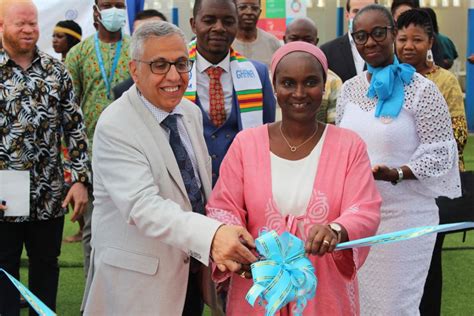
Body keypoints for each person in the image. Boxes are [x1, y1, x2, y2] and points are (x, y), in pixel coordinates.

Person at [82, 21, 257, 315]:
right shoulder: (116, 125)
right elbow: (143, 206)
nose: (174, 76)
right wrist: (213, 236)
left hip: (189, 275)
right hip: (138, 285)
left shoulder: (188, 112)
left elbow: (199, 192)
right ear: (134, 70)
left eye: (180, 63)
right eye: (160, 65)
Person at [206, 41, 381, 315]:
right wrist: (238, 246)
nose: (299, 93)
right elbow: (223, 207)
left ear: (325, 86)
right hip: (261, 283)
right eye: (288, 83)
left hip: (323, 289)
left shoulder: (349, 146)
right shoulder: (245, 144)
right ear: (274, 88)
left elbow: (364, 208)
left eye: (310, 82)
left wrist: (335, 229)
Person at [337, 5, 461, 315]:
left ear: (393, 33)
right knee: (361, 305)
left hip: (407, 218)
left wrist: (398, 173)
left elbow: (441, 155)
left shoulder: (422, 90)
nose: (370, 42)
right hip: (359, 218)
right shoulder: (349, 91)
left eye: (379, 33)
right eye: (361, 36)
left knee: (396, 306)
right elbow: (342, 148)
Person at [0, 1, 90, 315]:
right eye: (19, 24)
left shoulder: (56, 71)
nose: (28, 30)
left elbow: (75, 129)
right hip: (3, 191)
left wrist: (79, 180)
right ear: (1, 26)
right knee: (4, 269)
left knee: (45, 268)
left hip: (48, 190)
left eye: (33, 23)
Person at [395, 9, 468, 315]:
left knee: (428, 258)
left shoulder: (445, 80)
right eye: (402, 39)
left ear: (430, 42)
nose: (408, 46)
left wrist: (416, 155)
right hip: (393, 186)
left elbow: (459, 135)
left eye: (416, 39)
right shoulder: (386, 79)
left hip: (431, 189)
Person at [65, 0, 131, 280]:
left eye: (119, 5)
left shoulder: (137, 50)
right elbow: (69, 111)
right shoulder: (78, 54)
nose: (113, 11)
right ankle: (93, 300)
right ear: (95, 11)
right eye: (107, 5)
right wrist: (73, 166)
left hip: (132, 152)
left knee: (133, 228)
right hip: (91, 156)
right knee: (94, 230)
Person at [187, 0, 276, 185]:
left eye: (228, 21)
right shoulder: (175, 72)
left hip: (241, 184)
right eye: (209, 20)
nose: (219, 28)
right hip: (189, 184)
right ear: (194, 25)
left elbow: (266, 133)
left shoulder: (257, 74)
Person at [50, 19, 85, 244]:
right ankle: (81, 227)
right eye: (53, 36)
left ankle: (85, 227)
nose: (54, 40)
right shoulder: (50, 66)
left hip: (78, 134)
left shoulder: (77, 62)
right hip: (59, 135)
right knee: (67, 180)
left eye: (59, 36)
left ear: (71, 38)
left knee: (78, 180)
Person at [284, 17, 343, 124]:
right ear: (284, 40)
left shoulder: (333, 81)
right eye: (294, 38)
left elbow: (334, 126)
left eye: (307, 40)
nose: (301, 44)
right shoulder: (271, 78)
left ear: (316, 42)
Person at [113, 9, 167, 99]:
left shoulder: (187, 80)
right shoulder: (123, 92)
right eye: (142, 37)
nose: (150, 42)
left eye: (157, 35)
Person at [320, 0, 378, 82]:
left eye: (367, 10)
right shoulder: (327, 52)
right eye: (356, 11)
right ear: (347, 15)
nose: (361, 16)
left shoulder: (388, 50)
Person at [231, 0, 281, 68]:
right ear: (233, 10)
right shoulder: (225, 42)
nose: (249, 12)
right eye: (242, 7)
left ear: (260, 12)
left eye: (254, 8)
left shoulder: (273, 43)